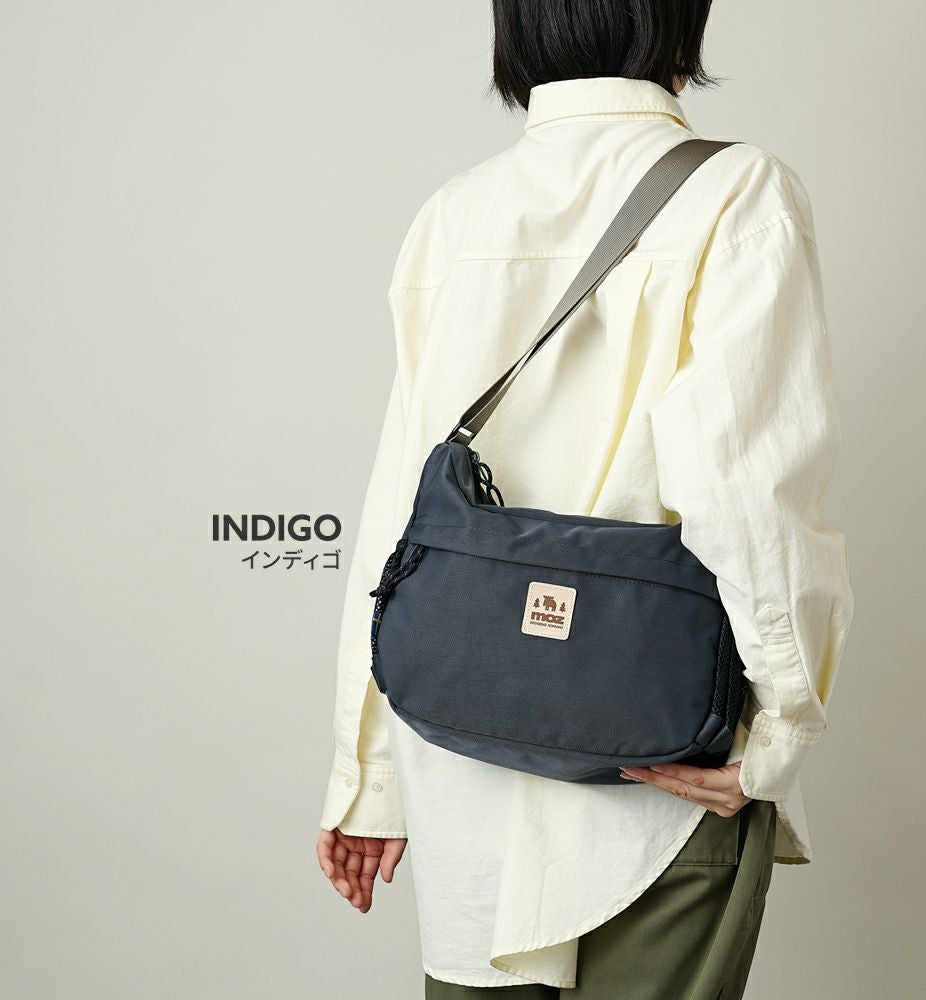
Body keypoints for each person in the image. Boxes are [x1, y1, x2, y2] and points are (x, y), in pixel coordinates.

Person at [315, 2, 855, 997]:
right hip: (658, 771)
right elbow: (749, 491)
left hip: (461, 759)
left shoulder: (454, 213)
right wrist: (778, 735)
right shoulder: (737, 194)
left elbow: (402, 508)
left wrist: (370, 777)